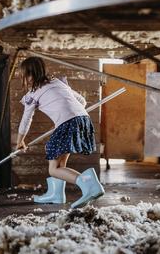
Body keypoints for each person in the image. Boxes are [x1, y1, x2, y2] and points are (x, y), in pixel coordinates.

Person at [16, 57, 104, 209]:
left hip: (68, 123)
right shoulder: (57, 82)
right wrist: (63, 116)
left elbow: (26, 119)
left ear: (29, 75)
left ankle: (90, 184)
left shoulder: (32, 94)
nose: (24, 79)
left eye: (24, 75)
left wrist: (20, 141)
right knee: (60, 163)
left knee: (54, 168)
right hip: (83, 120)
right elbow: (82, 101)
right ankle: (57, 195)